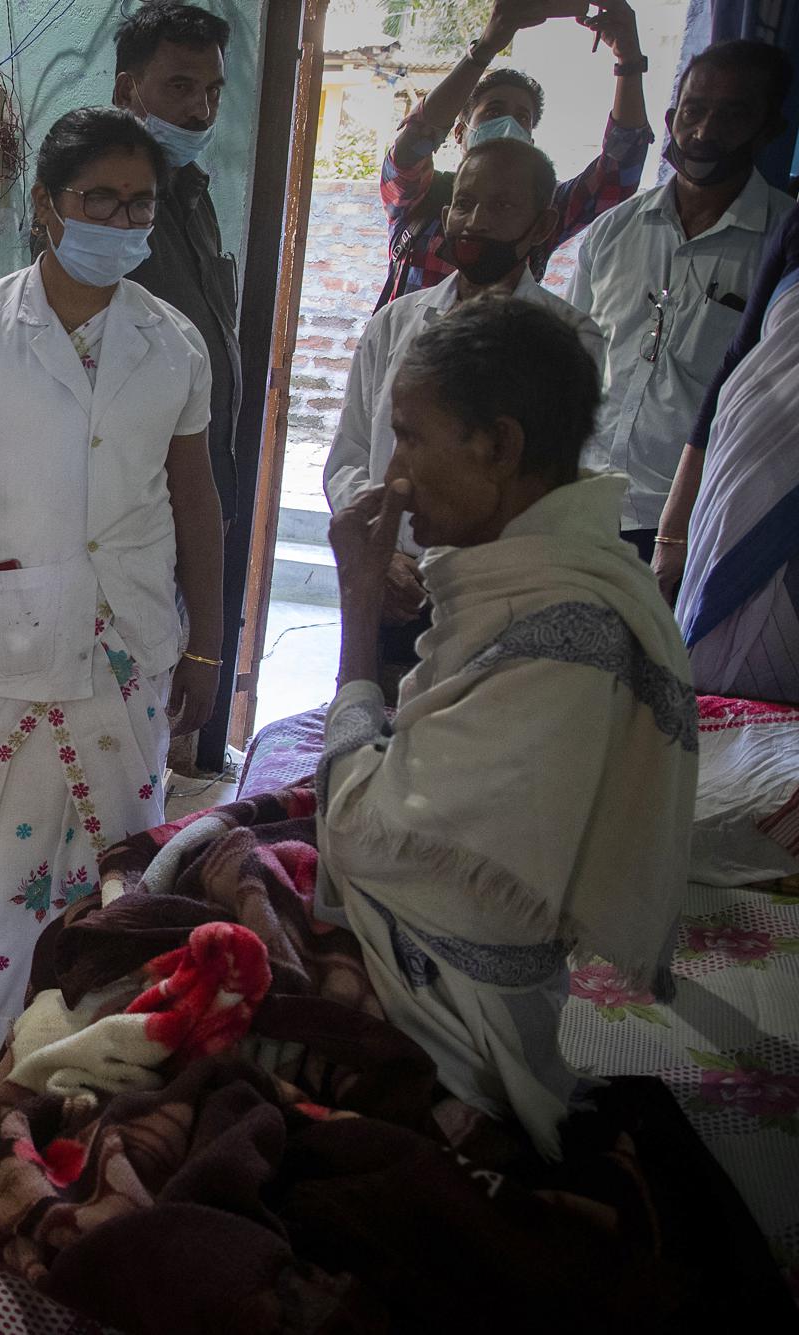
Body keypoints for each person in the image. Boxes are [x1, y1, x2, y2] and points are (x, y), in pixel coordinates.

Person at [0, 107, 225, 1137]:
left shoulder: (171, 343)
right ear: (44, 207)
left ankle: (77, 1077)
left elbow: (196, 501)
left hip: (129, 652)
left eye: (137, 204)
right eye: (97, 201)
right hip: (2, 646)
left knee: (116, 876)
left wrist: (205, 641)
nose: (119, 222)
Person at [319, 297, 694, 1159]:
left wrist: (358, 611)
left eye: (412, 437)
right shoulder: (528, 579)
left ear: (499, 444)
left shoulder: (567, 633)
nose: (396, 473)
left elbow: (361, 834)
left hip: (456, 1018)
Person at [325, 138, 605, 690]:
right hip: (395, 590)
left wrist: (469, 571)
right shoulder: (397, 323)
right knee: (371, 720)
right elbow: (352, 453)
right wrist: (381, 557)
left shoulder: (568, 339)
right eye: (464, 202)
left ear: (543, 224)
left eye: (500, 207)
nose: (474, 222)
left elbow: (562, 482)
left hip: (502, 595)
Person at [573, 38, 795, 560]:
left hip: (702, 527)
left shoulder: (784, 244)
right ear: (672, 116)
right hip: (583, 506)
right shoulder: (612, 232)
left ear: (770, 131)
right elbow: (569, 361)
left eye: (731, 116)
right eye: (693, 111)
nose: (704, 132)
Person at [111, 2, 248, 772]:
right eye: (180, 87)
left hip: (198, 479)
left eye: (212, 90)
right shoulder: (109, 206)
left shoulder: (191, 195)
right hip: (133, 499)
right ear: (132, 89)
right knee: (122, 712)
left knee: (161, 706)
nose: (200, 108)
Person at [376, 0, 651, 310]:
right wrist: (486, 46)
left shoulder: (542, 210)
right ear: (458, 132)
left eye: (522, 118)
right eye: (493, 111)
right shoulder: (419, 198)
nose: (508, 124)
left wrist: (628, 59)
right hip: (406, 357)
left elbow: (620, 170)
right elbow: (414, 141)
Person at [654, 206, 799, 703]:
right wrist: (673, 532)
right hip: (748, 470)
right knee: (713, 676)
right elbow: (737, 360)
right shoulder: (796, 220)